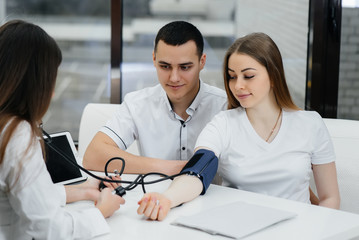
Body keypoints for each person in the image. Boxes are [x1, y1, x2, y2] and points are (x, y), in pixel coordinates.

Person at [137, 32, 340, 221]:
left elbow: (329, 198)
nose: (238, 85)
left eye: (248, 76)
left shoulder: (311, 124)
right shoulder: (223, 124)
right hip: (240, 228)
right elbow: (197, 170)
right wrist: (168, 199)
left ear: (273, 76)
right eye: (232, 76)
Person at [0, 20, 125, 239]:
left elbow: (22, 197)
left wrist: (81, 191)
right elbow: (48, 229)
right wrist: (100, 212)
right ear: (35, 84)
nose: (52, 93)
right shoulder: (16, 136)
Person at [83, 21, 227, 175]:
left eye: (185, 67)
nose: (174, 77)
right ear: (154, 59)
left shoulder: (224, 106)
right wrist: (170, 168)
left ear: (202, 62)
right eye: (165, 66)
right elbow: (93, 156)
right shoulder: (137, 104)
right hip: (152, 196)